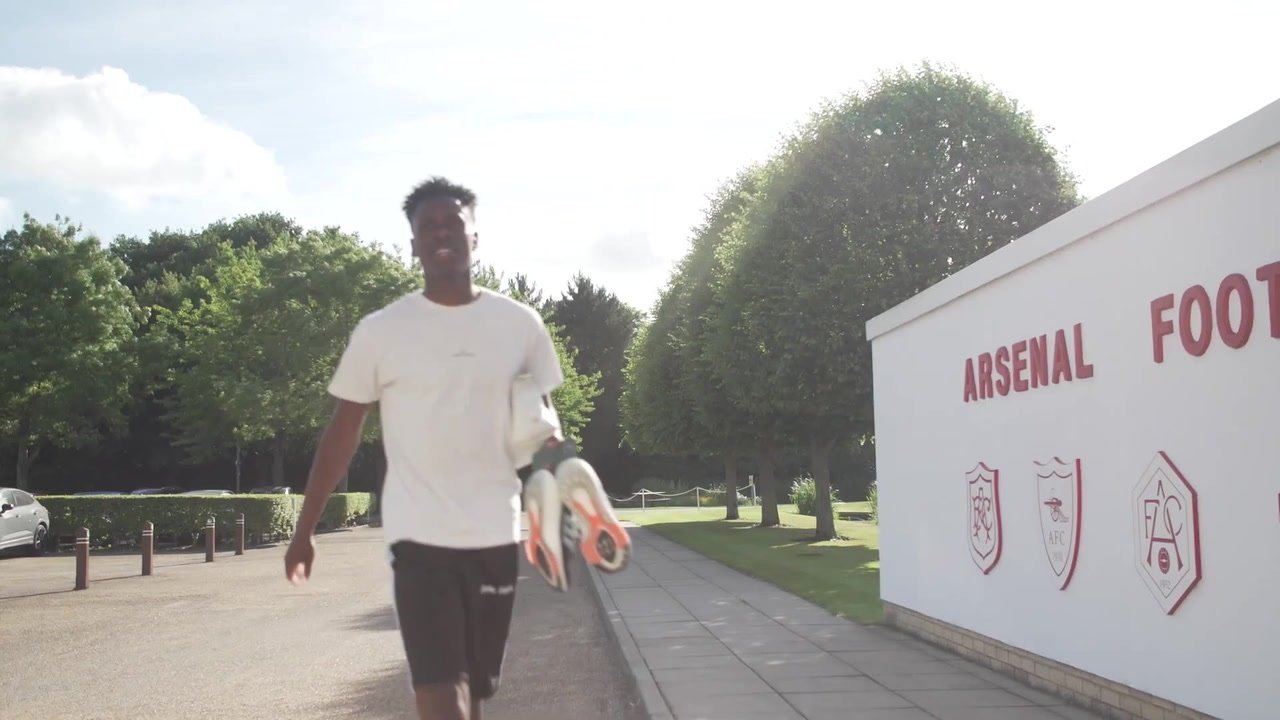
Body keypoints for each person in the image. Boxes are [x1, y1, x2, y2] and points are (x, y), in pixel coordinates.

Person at [283, 177, 564, 720]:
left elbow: (542, 423)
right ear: (412, 244)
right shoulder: (382, 331)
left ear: (474, 236)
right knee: (440, 691)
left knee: (475, 690)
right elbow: (341, 433)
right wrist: (304, 529)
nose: (441, 234)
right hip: (419, 537)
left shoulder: (519, 325)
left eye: (452, 224)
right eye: (427, 226)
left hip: (494, 532)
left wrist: (562, 503)